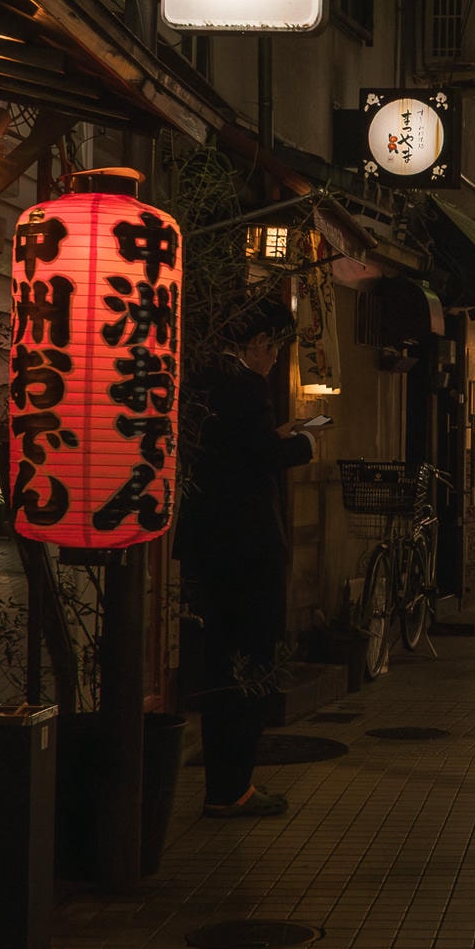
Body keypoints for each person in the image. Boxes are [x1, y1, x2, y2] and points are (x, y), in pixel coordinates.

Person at [174, 299, 325, 818]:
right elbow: (258, 459)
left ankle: (225, 786)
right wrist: (302, 441)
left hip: (205, 546)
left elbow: (234, 453)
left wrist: (271, 438)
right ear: (260, 343)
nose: (273, 359)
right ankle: (232, 787)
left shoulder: (200, 378)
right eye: (276, 349)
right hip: (246, 550)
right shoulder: (243, 385)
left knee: (218, 665)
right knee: (249, 665)